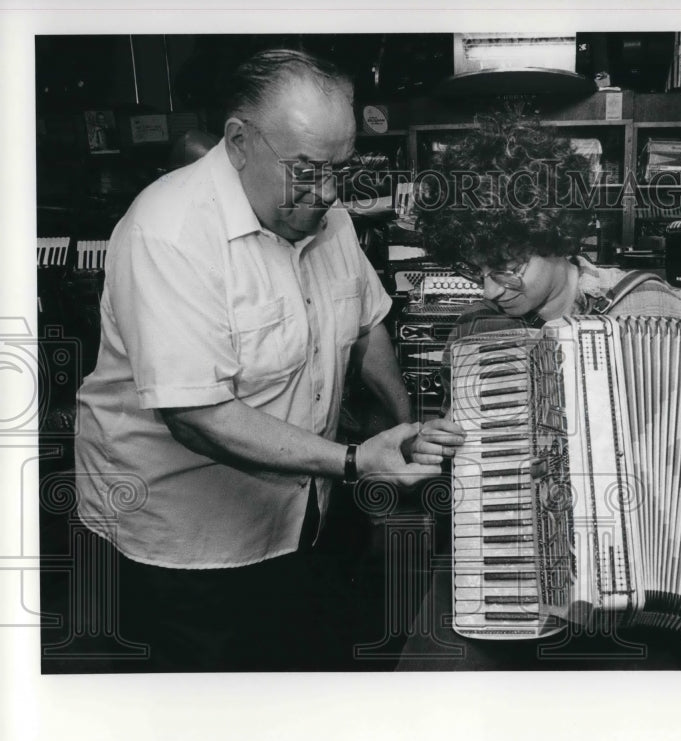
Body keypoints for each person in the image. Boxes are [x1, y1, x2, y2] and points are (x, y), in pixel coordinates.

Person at [398, 111, 681, 669]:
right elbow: (471, 459)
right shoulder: (476, 337)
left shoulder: (648, 309)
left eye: (507, 268)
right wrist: (431, 448)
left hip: (643, 599)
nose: (490, 289)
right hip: (519, 573)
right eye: (475, 271)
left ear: (556, 232)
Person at [73, 49, 442, 672]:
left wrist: (399, 432)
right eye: (305, 169)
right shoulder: (169, 232)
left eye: (339, 170)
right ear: (239, 142)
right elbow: (197, 415)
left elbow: (365, 324)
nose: (326, 192)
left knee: (301, 670)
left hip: (306, 514)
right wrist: (356, 461)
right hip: (187, 545)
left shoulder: (330, 216)